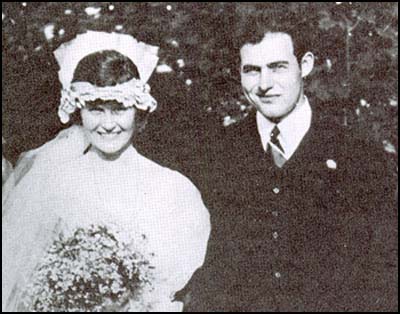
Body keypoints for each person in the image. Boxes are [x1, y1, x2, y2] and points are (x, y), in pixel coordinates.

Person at [183, 20, 398, 311]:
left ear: (305, 65)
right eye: (252, 70)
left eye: (278, 67)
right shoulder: (215, 154)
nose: (264, 84)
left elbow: (383, 275)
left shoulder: (360, 157)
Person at [2, 31, 210, 312]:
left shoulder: (172, 190)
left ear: (139, 112)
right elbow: (23, 280)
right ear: (79, 112)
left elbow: (173, 287)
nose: (108, 124)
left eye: (119, 109)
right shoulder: (54, 183)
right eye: (96, 110)